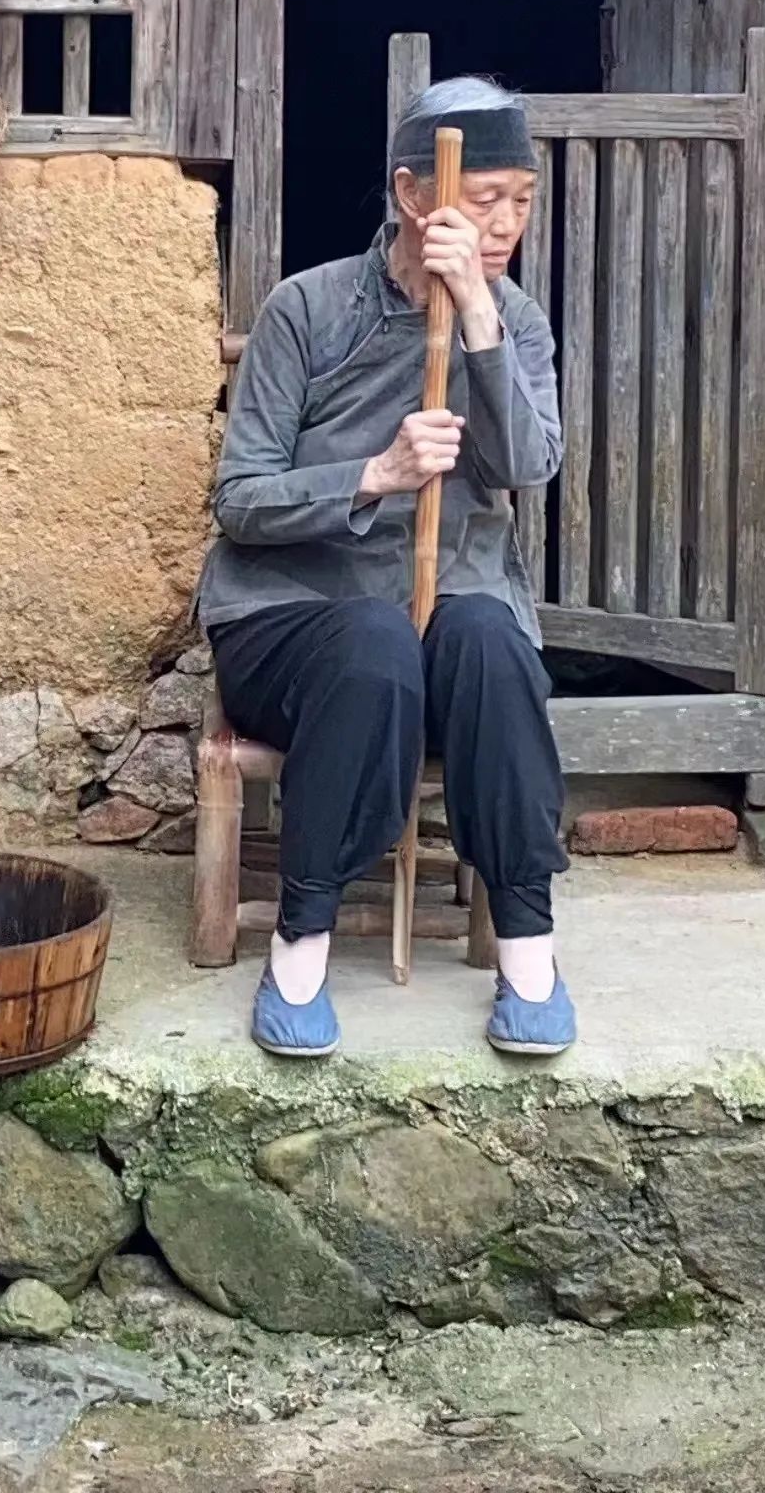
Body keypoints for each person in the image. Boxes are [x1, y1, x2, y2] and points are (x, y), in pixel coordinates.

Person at [198, 76, 575, 1060]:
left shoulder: (519, 321)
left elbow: (529, 463)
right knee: (371, 642)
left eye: (521, 200)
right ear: (414, 195)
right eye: (484, 199)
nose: (507, 223)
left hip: (445, 613)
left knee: (491, 639)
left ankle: (529, 952)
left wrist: (479, 320)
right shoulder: (307, 309)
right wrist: (375, 475)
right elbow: (240, 499)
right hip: (293, 615)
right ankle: (300, 945)